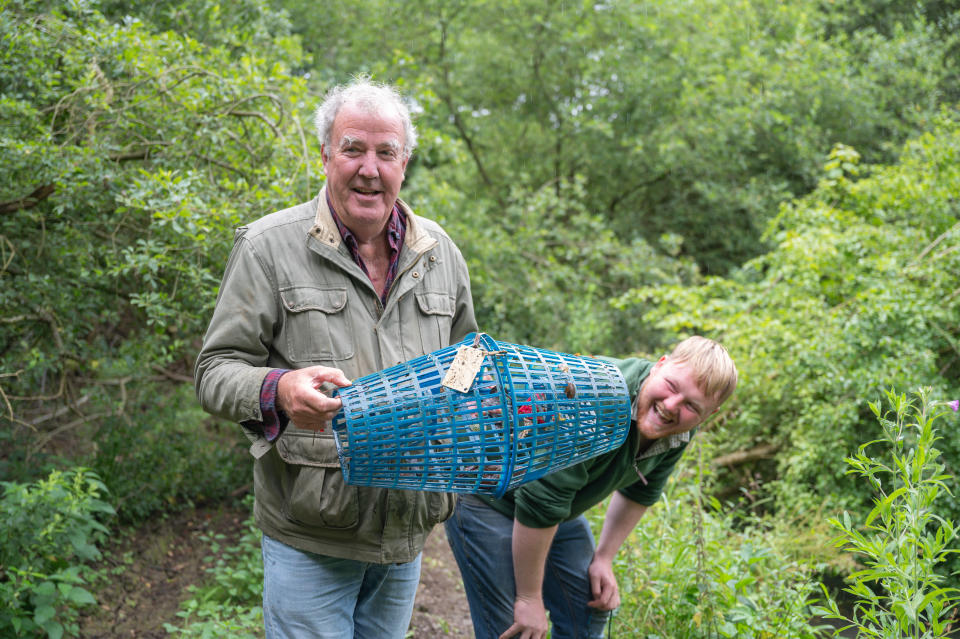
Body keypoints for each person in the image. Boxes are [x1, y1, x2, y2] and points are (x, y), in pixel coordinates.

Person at [194, 77, 477, 639]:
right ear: (326, 155)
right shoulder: (268, 247)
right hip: (312, 532)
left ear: (405, 162)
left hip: (407, 528)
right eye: (353, 149)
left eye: (385, 152)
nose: (369, 168)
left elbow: (467, 355)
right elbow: (214, 371)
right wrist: (278, 389)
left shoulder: (439, 252)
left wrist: (466, 400)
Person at [445, 336, 737, 639]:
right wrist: (529, 598)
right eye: (673, 387)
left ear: (708, 414)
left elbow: (641, 491)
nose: (671, 406)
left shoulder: (680, 430)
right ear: (659, 366)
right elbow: (540, 503)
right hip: (488, 496)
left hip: (557, 510)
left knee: (589, 609)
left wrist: (605, 558)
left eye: (691, 405)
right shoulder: (597, 400)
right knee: (514, 628)